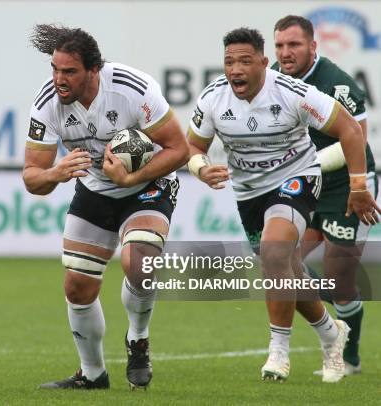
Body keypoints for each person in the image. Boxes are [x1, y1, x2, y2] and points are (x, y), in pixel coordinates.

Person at [186, 28, 379, 383]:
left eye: (245, 61)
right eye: (229, 62)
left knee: (275, 254)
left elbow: (351, 130)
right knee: (287, 268)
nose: (236, 69)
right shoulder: (213, 98)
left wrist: (357, 185)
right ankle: (331, 333)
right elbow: (193, 147)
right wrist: (201, 169)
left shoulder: (294, 91)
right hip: (248, 193)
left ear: (263, 63)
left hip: (298, 178)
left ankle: (278, 351)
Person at [24, 24, 189, 390]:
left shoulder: (133, 89)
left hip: (147, 185)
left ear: (93, 70)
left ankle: (138, 339)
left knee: (139, 262)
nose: (58, 80)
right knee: (77, 287)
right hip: (95, 189)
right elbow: (32, 178)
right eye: (54, 69)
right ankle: (92, 374)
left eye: (69, 72)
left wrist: (131, 179)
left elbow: (179, 149)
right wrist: (56, 173)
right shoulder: (47, 102)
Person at [272, 15, 375, 375]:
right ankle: (331, 331)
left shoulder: (338, 84)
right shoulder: (272, 79)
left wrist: (359, 187)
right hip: (305, 183)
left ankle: (350, 358)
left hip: (347, 183)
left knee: (339, 278)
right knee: (280, 265)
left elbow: (357, 140)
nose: (286, 53)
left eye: (294, 45)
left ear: (313, 47)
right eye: (280, 45)